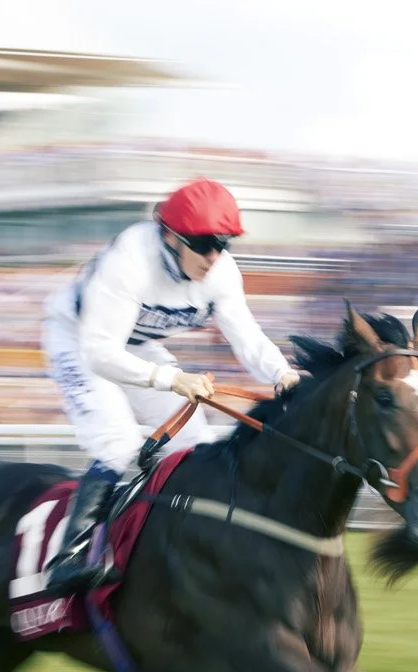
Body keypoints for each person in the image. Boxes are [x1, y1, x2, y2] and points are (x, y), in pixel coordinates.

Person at [39, 178, 304, 592]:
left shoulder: (220, 273)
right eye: (203, 244)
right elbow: (101, 353)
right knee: (117, 442)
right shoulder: (130, 260)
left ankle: (173, 546)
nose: (213, 256)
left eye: (224, 244)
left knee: (194, 444)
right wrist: (172, 378)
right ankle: (67, 559)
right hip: (80, 342)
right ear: (170, 236)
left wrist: (282, 374)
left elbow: (246, 335)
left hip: (136, 346)